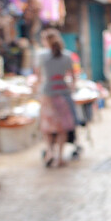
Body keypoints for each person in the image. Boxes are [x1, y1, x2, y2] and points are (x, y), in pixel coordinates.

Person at [35, 29, 76, 168]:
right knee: (62, 127)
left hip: (47, 94)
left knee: (47, 126)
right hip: (63, 94)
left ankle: (50, 152)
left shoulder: (41, 55)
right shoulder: (67, 56)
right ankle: (59, 156)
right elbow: (73, 77)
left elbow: (38, 76)